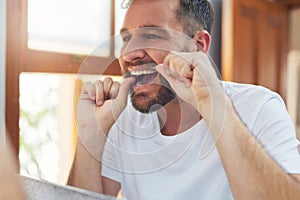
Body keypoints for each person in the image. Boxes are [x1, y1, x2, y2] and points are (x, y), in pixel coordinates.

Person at [68, 0, 300, 199]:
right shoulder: (122, 117)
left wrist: (214, 106)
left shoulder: (259, 107)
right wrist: (91, 134)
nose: (129, 53)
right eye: (127, 38)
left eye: (151, 35)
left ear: (198, 45)